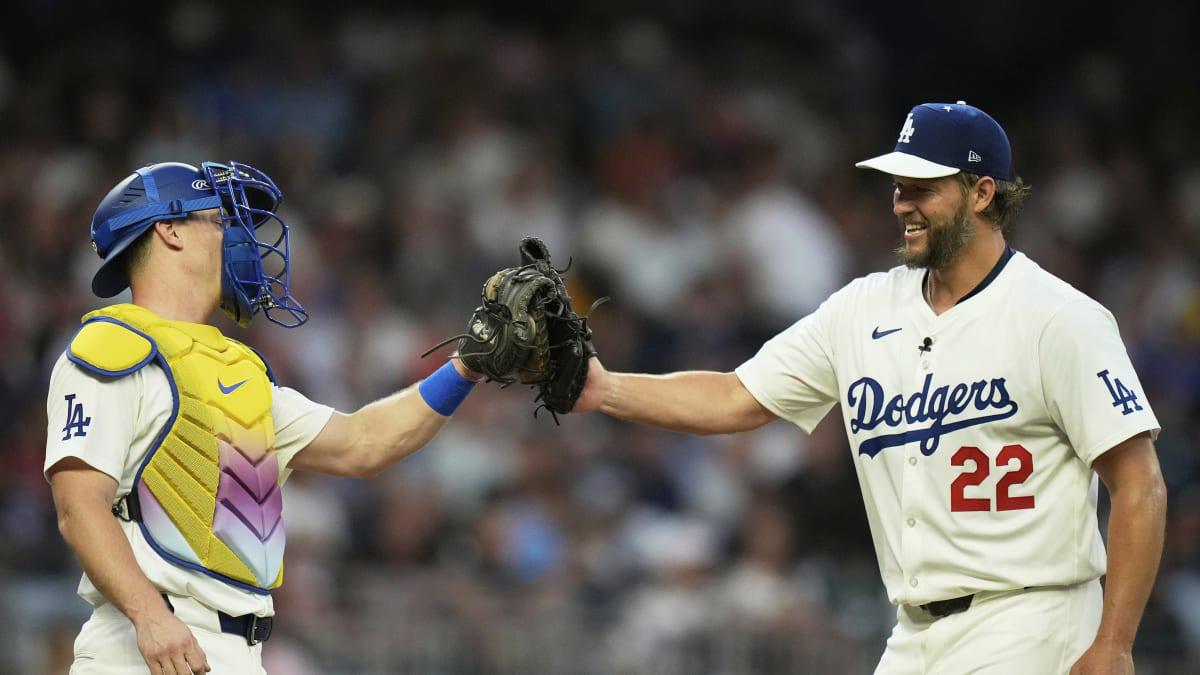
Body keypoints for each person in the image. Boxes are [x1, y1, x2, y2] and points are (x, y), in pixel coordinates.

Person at [573, 102, 1167, 674]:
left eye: (923, 187)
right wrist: (602, 388)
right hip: (914, 632)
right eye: (897, 187)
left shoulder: (1058, 318)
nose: (903, 204)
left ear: (983, 193)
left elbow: (1139, 484)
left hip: (1034, 618)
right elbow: (735, 396)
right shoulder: (862, 308)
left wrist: (1114, 644)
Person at [44, 161, 482, 674]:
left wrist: (470, 364)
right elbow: (78, 507)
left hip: (238, 651)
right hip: (145, 645)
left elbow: (364, 442)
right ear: (168, 230)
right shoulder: (114, 347)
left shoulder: (240, 370)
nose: (238, 237)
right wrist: (148, 615)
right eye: (220, 221)